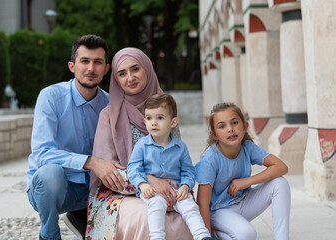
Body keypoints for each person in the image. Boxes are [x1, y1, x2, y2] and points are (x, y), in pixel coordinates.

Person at [86, 47, 196, 240]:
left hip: (167, 187)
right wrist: (148, 182)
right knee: (146, 217)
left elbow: (176, 158)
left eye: (135, 69)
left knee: (187, 214)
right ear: (116, 79)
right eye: (122, 73)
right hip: (118, 192)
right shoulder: (109, 116)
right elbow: (108, 173)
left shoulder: (166, 109)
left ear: (147, 68)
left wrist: (174, 188)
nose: (130, 78)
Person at [26, 35, 122, 240]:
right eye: (84, 61)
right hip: (55, 190)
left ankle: (82, 216)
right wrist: (90, 162)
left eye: (98, 62)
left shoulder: (111, 104)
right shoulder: (50, 96)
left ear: (106, 69)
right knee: (49, 174)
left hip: (94, 190)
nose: (91, 68)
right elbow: (42, 154)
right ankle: (49, 233)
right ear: (72, 66)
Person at [195, 102, 291, 240]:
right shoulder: (209, 160)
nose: (230, 129)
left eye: (234, 123)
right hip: (219, 212)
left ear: (245, 126)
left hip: (245, 203)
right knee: (247, 234)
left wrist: (246, 181)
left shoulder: (247, 147)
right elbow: (202, 204)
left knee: (280, 183)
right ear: (214, 135)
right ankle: (216, 234)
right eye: (222, 126)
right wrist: (206, 236)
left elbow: (281, 167)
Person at [127, 93, 215, 240]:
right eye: (149, 118)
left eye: (160, 118)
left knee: (190, 207)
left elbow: (188, 170)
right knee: (156, 205)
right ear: (145, 121)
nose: (153, 123)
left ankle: (202, 236)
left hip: (176, 190)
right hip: (151, 190)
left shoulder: (180, 147)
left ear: (173, 122)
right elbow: (133, 168)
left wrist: (185, 186)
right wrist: (142, 184)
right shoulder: (142, 145)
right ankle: (157, 237)